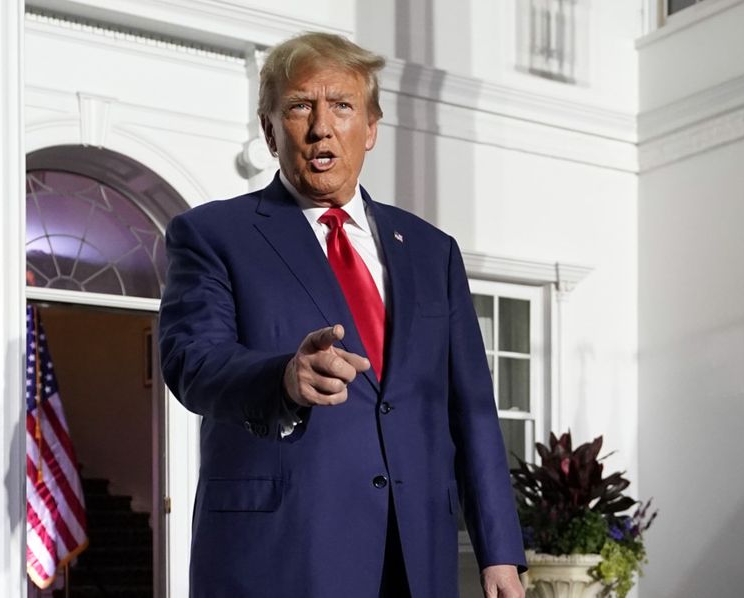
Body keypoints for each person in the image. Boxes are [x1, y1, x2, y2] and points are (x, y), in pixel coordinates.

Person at [158, 32, 527, 598]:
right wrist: (282, 378)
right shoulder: (211, 235)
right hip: (281, 555)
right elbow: (193, 362)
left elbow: (471, 408)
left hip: (413, 555)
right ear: (269, 128)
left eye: (342, 106)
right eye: (300, 105)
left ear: (371, 128)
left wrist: (499, 551)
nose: (320, 126)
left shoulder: (432, 251)